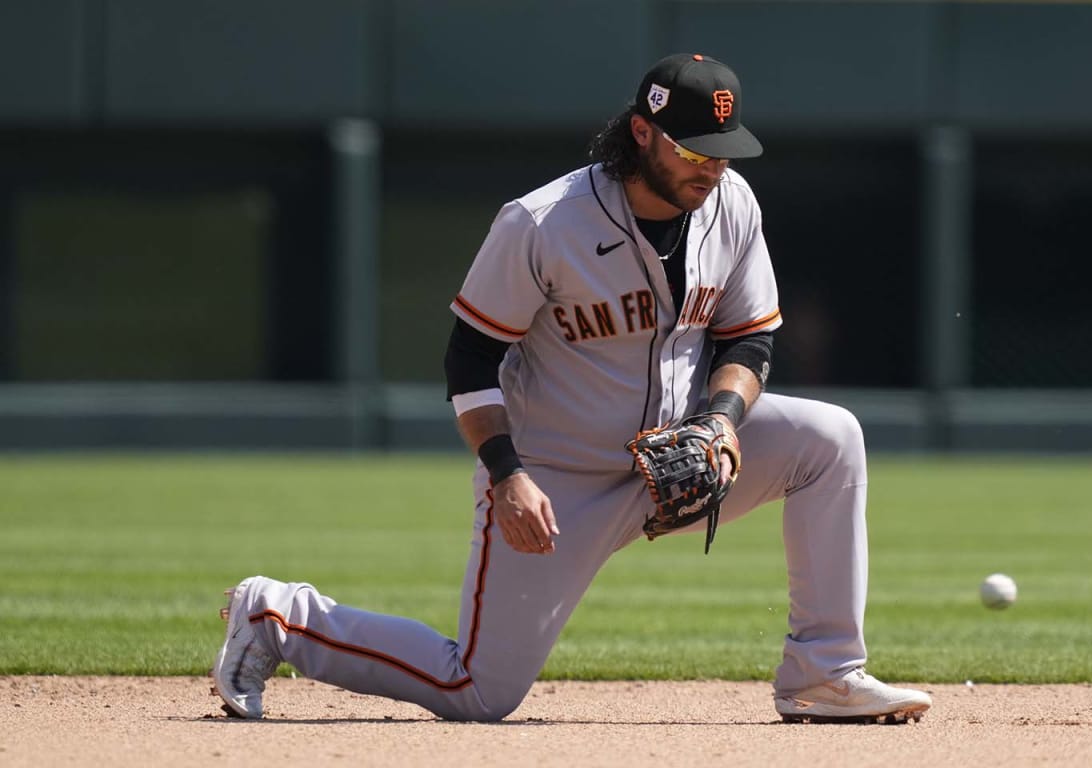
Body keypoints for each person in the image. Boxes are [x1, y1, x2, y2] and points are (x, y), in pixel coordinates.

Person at [211, 53, 932, 725]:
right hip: (558, 481)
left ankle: (824, 672)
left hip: (678, 451)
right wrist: (508, 476)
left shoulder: (732, 203)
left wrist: (721, 422)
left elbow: (749, 338)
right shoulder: (543, 223)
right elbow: (470, 361)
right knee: (480, 691)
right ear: (642, 133)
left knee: (830, 439)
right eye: (692, 149)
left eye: (722, 149)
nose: (711, 166)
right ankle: (276, 616)